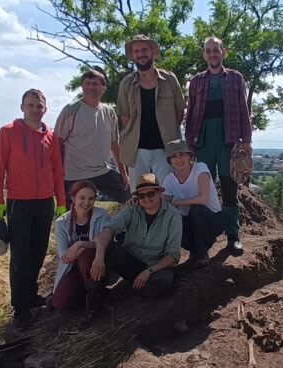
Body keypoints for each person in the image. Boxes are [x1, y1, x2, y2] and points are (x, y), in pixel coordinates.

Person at [0, 89, 66, 329]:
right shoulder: (8, 132)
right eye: (31, 105)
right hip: (18, 202)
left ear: (45, 108)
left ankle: (31, 294)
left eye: (39, 105)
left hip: (45, 202)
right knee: (21, 257)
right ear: (22, 107)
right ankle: (20, 308)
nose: (35, 109)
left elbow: (57, 171)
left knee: (38, 252)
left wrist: (61, 201)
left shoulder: (51, 137)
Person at [78, 173, 182, 329]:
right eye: (142, 195)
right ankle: (93, 307)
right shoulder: (132, 209)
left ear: (159, 193)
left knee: (162, 285)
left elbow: (173, 255)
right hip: (131, 261)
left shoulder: (173, 215)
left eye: (151, 193)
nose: (146, 198)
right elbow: (108, 231)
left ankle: (128, 290)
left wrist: (149, 271)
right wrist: (98, 257)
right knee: (108, 249)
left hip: (156, 265)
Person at [185, 36, 252, 254]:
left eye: (216, 50)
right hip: (203, 140)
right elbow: (191, 112)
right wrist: (189, 144)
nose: (212, 54)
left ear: (223, 52)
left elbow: (244, 109)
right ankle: (205, 239)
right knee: (204, 189)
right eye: (208, 50)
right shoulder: (196, 81)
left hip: (228, 139)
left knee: (230, 189)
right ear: (204, 54)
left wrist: (246, 141)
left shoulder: (235, 78)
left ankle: (233, 237)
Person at [117, 34, 185, 191]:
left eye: (144, 50)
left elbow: (179, 113)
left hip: (165, 150)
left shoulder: (170, 79)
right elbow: (125, 118)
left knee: (168, 195)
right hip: (137, 151)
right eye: (137, 51)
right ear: (133, 55)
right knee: (140, 196)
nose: (141, 54)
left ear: (152, 52)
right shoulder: (126, 83)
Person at [54, 69, 131, 208]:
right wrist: (58, 174)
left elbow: (114, 145)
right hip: (74, 174)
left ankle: (121, 228)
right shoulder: (71, 110)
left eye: (95, 83)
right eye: (87, 83)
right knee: (71, 215)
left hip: (102, 171)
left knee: (131, 197)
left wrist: (124, 174)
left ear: (103, 87)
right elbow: (57, 143)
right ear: (82, 86)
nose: (91, 87)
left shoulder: (109, 112)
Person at [162, 139, 224, 267]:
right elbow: (163, 206)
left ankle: (201, 253)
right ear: (170, 160)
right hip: (190, 222)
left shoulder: (200, 168)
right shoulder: (169, 179)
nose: (178, 159)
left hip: (212, 220)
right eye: (174, 156)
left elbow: (203, 199)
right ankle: (188, 251)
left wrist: (178, 202)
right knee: (170, 218)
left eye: (182, 154)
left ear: (190, 156)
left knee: (196, 208)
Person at [50, 180, 110, 310]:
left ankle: (95, 297)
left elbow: (105, 241)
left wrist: (80, 244)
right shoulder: (62, 222)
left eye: (91, 199)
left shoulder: (101, 215)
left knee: (87, 255)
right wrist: (88, 245)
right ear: (73, 198)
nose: (86, 203)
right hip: (73, 267)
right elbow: (64, 256)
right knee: (61, 303)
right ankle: (82, 292)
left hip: (95, 263)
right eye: (82, 198)